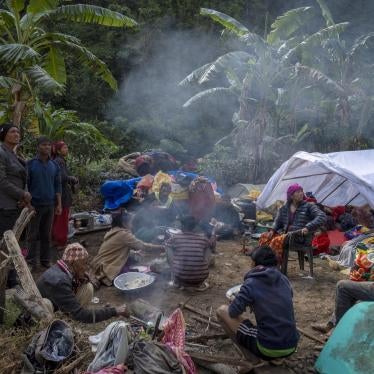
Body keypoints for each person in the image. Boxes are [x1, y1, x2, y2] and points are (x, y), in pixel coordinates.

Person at [216, 246, 299, 359]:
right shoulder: (284, 279)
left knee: (222, 310)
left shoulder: (251, 283)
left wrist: (236, 301)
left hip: (268, 346)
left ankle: (251, 358)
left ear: (254, 263)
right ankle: (276, 359)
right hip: (292, 345)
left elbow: (233, 312)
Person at [37, 243, 130, 323]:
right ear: (75, 263)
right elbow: (81, 314)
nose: (86, 267)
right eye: (84, 263)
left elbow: (80, 283)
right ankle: (50, 328)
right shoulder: (60, 281)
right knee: (46, 304)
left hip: (58, 305)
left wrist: (83, 277)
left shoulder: (63, 268)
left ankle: (69, 319)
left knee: (87, 287)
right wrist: (114, 311)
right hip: (40, 314)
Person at [0, 124, 31, 322]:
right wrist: (22, 194)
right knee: (6, 244)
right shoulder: (1, 152)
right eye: (12, 131)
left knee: (15, 243)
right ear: (3, 135)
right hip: (5, 206)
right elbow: (1, 180)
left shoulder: (13, 153)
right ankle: (9, 280)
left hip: (16, 204)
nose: (17, 134)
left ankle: (13, 278)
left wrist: (23, 198)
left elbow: (20, 177)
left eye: (18, 131)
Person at [91, 211, 165, 286]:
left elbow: (117, 249)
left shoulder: (114, 230)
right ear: (124, 223)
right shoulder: (123, 234)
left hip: (99, 262)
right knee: (128, 275)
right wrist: (159, 247)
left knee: (132, 260)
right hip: (106, 266)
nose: (132, 225)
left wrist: (134, 253)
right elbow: (143, 245)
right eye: (130, 222)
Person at [27, 136, 62, 269]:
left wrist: (58, 204)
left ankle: (45, 260)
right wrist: (28, 205)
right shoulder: (30, 164)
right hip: (35, 205)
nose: (47, 147)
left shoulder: (54, 165)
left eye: (49, 145)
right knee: (32, 235)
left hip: (50, 205)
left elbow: (57, 186)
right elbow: (26, 186)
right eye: (43, 145)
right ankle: (31, 262)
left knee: (46, 235)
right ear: (38, 147)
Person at [166, 215, 215, 290]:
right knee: (207, 248)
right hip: (201, 278)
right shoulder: (203, 239)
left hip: (181, 278)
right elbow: (208, 258)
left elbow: (169, 255)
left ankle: (175, 281)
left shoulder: (175, 238)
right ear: (194, 227)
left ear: (182, 226)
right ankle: (199, 274)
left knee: (168, 246)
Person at [51, 141, 78, 249]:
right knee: (62, 217)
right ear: (58, 151)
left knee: (57, 218)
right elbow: (61, 177)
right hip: (62, 193)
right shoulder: (59, 161)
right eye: (64, 147)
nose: (66, 149)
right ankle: (61, 241)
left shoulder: (57, 160)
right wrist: (72, 178)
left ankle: (55, 239)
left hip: (58, 192)